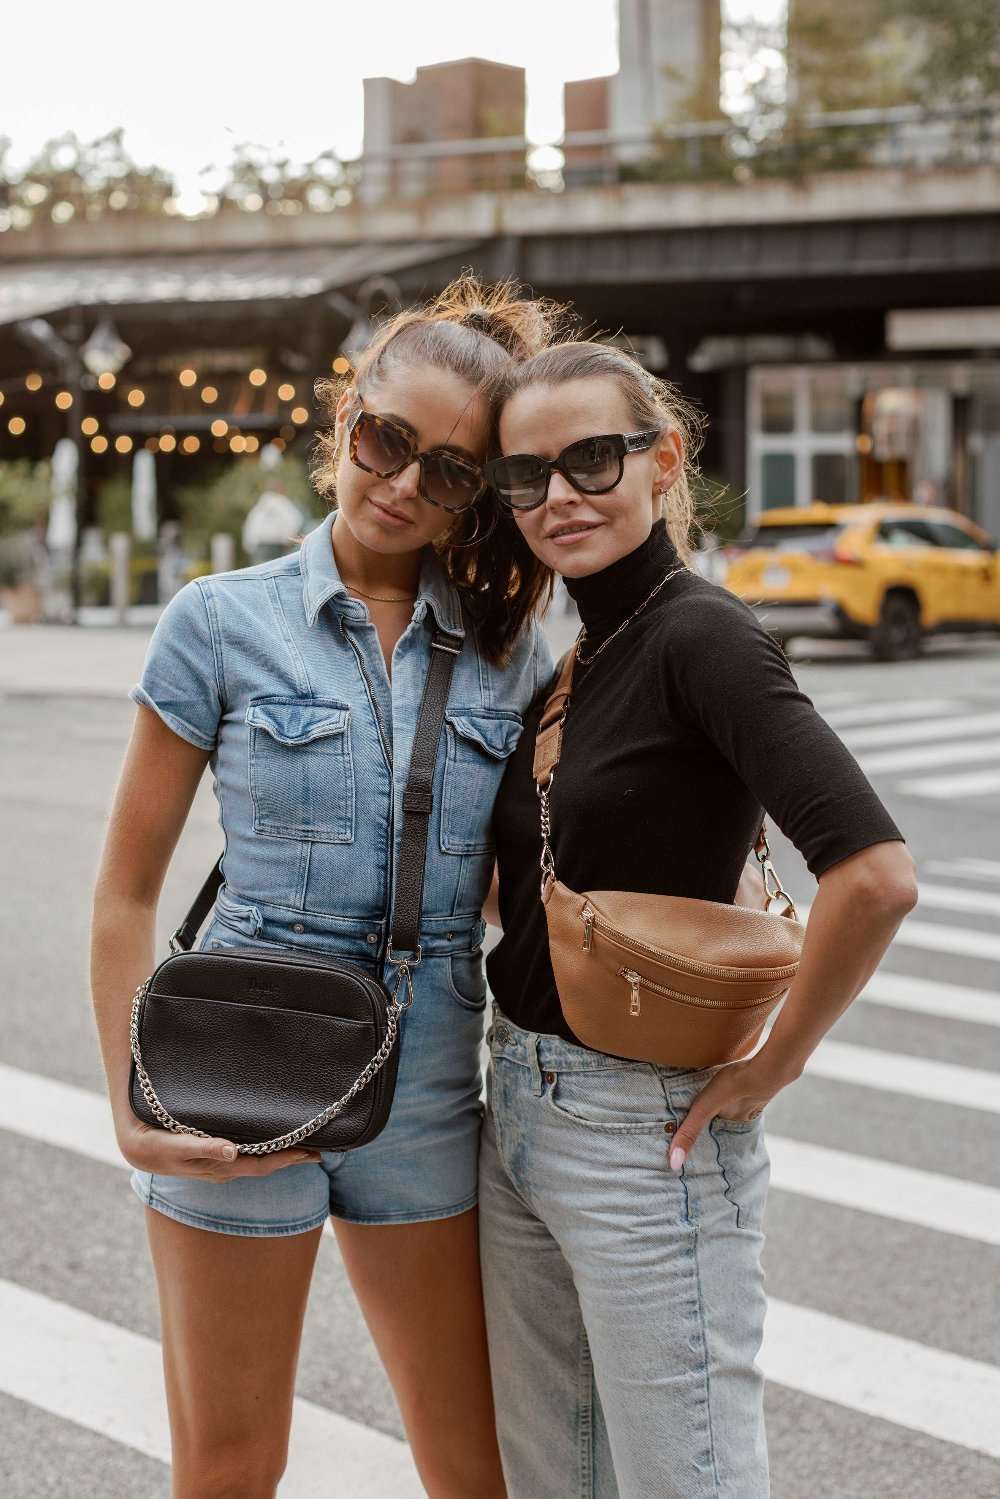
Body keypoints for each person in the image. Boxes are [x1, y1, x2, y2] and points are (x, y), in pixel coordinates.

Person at [89, 277, 558, 1499]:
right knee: (234, 1464)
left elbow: (530, 900)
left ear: (477, 498)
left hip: (430, 1089)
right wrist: (127, 1103)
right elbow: (125, 890)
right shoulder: (216, 623)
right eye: (385, 440)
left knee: (473, 1464)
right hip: (235, 1072)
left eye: (449, 472)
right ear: (343, 418)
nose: (402, 484)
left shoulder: (515, 656)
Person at [478, 339, 919, 1499]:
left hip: (641, 1135)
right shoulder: (588, 649)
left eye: (588, 458)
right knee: (555, 1480)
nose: (557, 496)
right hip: (518, 1105)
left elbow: (872, 873)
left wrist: (773, 1065)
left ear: (661, 457)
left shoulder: (701, 635)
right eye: (525, 475)